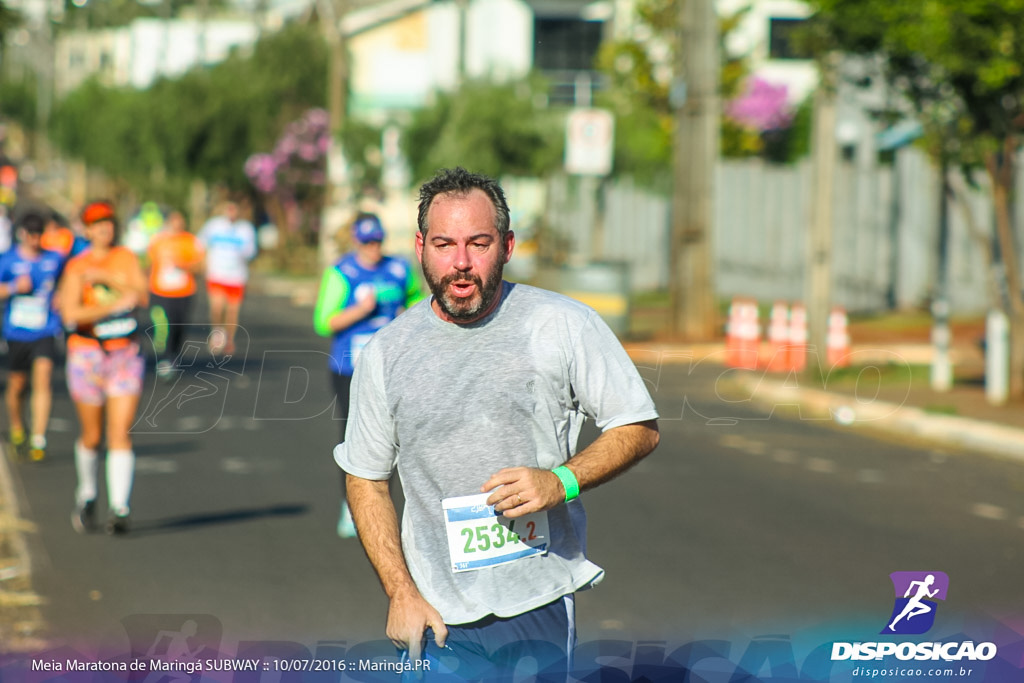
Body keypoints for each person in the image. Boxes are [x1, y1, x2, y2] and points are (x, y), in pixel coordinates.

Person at [336, 167, 660, 680]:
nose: (461, 263)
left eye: (478, 243)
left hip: (536, 603)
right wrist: (400, 593)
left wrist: (561, 481)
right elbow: (365, 477)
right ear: (420, 246)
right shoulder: (386, 354)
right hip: (437, 615)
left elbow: (637, 426)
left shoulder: (561, 325)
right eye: (444, 244)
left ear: (507, 246)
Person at [313, 212, 423, 538]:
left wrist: (408, 313)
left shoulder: (399, 269)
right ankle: (352, 506)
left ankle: (403, 509)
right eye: (366, 242)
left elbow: (417, 302)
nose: (373, 249)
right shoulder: (341, 273)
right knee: (355, 437)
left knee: (403, 438)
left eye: (377, 241)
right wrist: (360, 311)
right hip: (350, 368)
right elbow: (323, 322)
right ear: (356, 242)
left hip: (394, 366)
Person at [58, 200, 149, 535]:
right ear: (86, 229)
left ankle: (119, 508)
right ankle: (87, 493)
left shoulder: (126, 258)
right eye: (96, 224)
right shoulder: (76, 267)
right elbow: (70, 314)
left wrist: (110, 279)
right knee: (92, 435)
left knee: (121, 430)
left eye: (108, 222)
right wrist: (107, 307)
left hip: (124, 354)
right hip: (87, 355)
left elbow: (142, 296)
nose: (104, 229)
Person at [0, 211, 65, 461]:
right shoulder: (7, 260)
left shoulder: (54, 259)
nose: (36, 240)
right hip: (17, 332)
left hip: (45, 329)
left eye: (40, 235)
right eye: (32, 235)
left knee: (44, 376)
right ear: (23, 234)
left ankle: (39, 438)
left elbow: (67, 280)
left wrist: (61, 295)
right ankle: (17, 427)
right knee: (17, 385)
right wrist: (15, 287)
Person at [147, 210, 205, 380]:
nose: (177, 224)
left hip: (183, 291)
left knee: (178, 326)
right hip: (160, 290)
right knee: (163, 323)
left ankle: (174, 355)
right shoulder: (158, 240)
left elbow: (200, 267)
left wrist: (184, 266)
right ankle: (164, 356)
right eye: (174, 220)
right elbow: (148, 263)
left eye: (180, 221)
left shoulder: (190, 241)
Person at [198, 200, 257, 355]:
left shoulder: (245, 229)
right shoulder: (214, 226)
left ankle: (229, 338)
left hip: (236, 276)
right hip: (217, 274)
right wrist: (203, 263)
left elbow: (250, 252)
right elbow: (200, 244)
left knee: (232, 311)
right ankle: (217, 332)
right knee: (217, 307)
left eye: (234, 209)